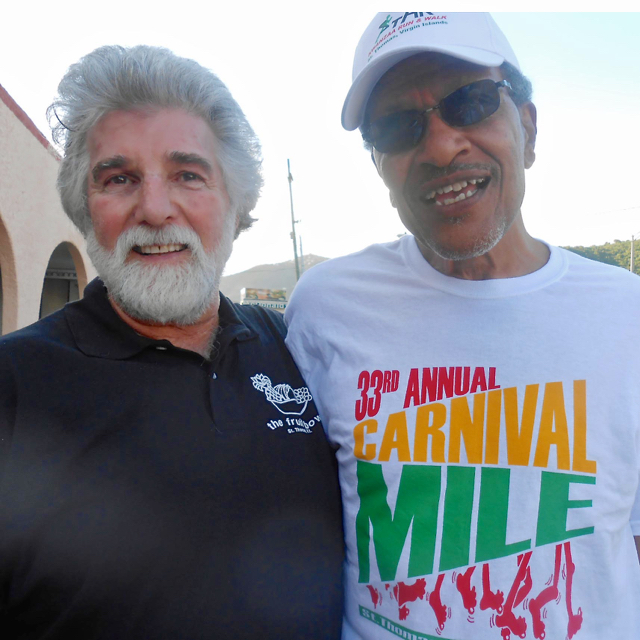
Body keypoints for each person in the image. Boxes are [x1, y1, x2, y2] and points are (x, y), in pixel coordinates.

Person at [285, 12, 640, 640]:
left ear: (527, 129)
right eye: (398, 126)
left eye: (471, 103)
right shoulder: (325, 308)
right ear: (378, 164)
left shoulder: (627, 315)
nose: (443, 146)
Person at [0, 45, 343, 639]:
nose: (155, 209)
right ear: (86, 210)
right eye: (119, 178)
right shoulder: (12, 386)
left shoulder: (302, 350)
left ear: (237, 206)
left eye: (188, 174)